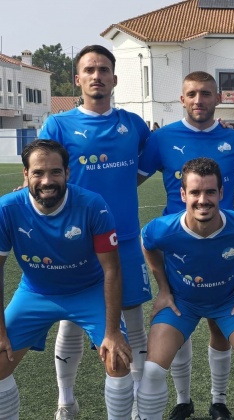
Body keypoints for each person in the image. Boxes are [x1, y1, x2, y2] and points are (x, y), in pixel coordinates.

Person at [39, 44, 152, 420]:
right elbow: (44, 172)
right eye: (89, 69)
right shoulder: (59, 124)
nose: (97, 75)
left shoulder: (133, 125)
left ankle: (134, 404)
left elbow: (141, 170)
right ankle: (66, 401)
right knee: (71, 321)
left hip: (126, 240)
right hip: (76, 242)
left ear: (114, 78)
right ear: (78, 79)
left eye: (104, 69)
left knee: (133, 321)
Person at [138, 71, 234, 420]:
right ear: (182, 100)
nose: (198, 100)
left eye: (205, 93)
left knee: (220, 325)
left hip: (223, 248)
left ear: (218, 98)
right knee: (179, 325)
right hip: (176, 247)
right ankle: (183, 401)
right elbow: (131, 179)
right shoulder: (161, 138)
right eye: (192, 94)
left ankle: (218, 400)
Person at [0, 140, 133, 419]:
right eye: (38, 173)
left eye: (55, 172)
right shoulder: (7, 208)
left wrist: (112, 332)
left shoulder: (92, 205)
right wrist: (0, 331)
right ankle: (66, 403)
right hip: (37, 292)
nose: (47, 180)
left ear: (68, 173)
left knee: (117, 359)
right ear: (25, 175)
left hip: (88, 290)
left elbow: (112, 270)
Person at [138, 157, 234, 419]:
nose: (202, 199)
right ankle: (182, 402)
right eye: (195, 192)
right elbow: (147, 245)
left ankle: (218, 402)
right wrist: (163, 289)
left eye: (210, 191)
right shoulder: (163, 229)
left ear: (221, 193)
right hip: (181, 302)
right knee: (151, 371)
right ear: (183, 194)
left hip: (229, 301)